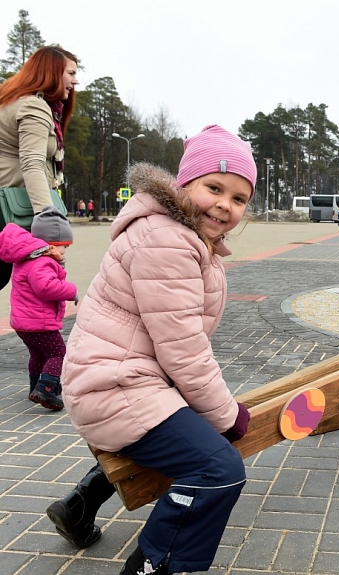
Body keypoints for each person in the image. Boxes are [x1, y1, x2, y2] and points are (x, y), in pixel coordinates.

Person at [46, 125, 255, 575]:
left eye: (238, 198)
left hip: (125, 378)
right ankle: (153, 567)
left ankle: (79, 506)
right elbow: (183, 350)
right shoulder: (168, 239)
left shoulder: (189, 238)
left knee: (197, 437)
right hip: (113, 384)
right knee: (219, 468)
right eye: (213, 188)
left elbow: (178, 347)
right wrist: (226, 414)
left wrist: (210, 411)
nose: (225, 204)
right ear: (184, 186)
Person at [0, 45, 79, 290]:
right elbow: (32, 163)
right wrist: (47, 216)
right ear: (52, 73)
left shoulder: (10, 101)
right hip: (8, 205)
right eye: (71, 73)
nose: (75, 82)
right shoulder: (34, 106)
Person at [0, 206, 77, 410]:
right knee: (59, 353)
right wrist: (72, 291)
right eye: (65, 246)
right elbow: (46, 287)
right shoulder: (42, 261)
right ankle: (46, 389)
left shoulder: (26, 258)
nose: (65, 251)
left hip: (23, 323)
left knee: (38, 355)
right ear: (53, 244)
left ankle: (34, 387)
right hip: (39, 323)